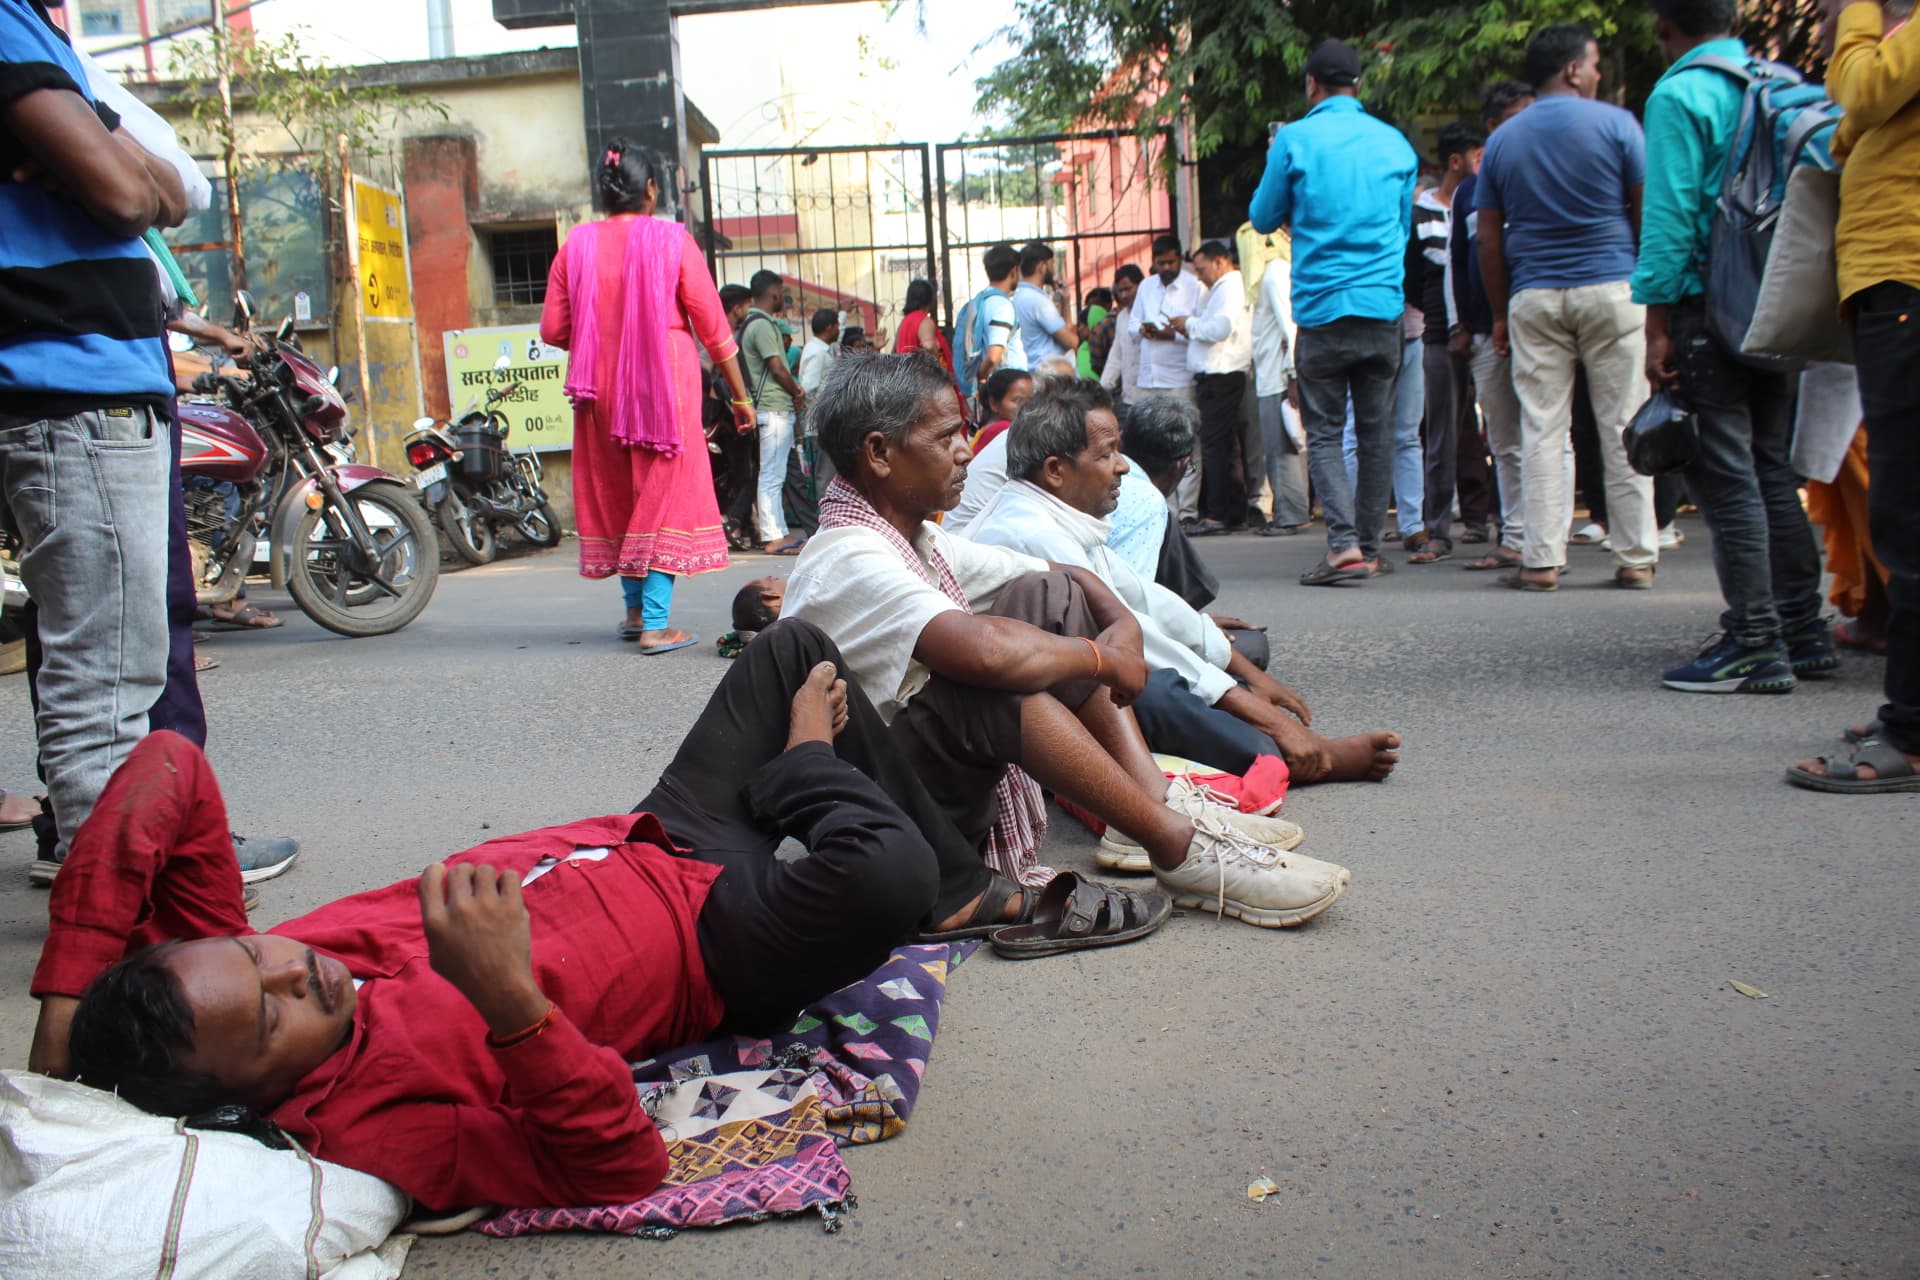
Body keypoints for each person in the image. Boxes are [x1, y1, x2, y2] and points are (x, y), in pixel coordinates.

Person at [28, 609, 1159, 1211]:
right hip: (719, 945)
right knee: (885, 877)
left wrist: (64, 1002)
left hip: (655, 833)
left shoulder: (267, 962)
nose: (299, 971)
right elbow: (617, 1163)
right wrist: (513, 1004)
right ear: (255, 1095)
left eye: (256, 952)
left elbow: (167, 764)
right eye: (274, 1017)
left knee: (794, 647)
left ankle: (956, 878)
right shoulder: (376, 1121)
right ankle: (823, 791)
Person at [784, 352, 1352, 926]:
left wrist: (1121, 632)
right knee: (992, 687)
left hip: (924, 782)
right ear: (880, 454)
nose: (967, 452)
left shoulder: (923, 541)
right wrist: (1104, 657)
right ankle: (1172, 843)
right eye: (946, 437)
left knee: (1046, 598)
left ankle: (1150, 805)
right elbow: (986, 653)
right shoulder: (850, 552)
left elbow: (1063, 578)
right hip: (886, 823)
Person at [968, 379, 1402, 793]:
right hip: (1031, 705)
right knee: (1158, 689)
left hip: (1079, 668)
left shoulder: (1058, 513)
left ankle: (1255, 728)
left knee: (1244, 651)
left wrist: (1243, 675)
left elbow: (1141, 594)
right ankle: (1297, 755)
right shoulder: (1032, 531)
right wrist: (1267, 718)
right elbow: (1141, 636)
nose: (1122, 466)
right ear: (1056, 470)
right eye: (1107, 455)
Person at [2, 0, 184, 878]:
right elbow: (124, 196)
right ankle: (105, 955)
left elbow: (170, 193)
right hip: (68, 385)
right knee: (106, 688)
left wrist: (99, 154)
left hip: (84, 390)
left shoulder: (42, 38)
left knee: (108, 678)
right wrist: (110, 167)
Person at [1632, 0, 1829, 689]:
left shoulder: (1681, 93)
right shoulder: (1776, 80)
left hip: (1707, 308)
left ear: (1666, 27)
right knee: (1773, 467)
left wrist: (1658, 326)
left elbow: (1671, 215)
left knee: (1726, 474)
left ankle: (1753, 637)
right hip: (1778, 299)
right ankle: (1803, 627)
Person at [541, 141, 751, 655]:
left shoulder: (576, 245)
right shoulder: (672, 241)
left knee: (618, 489)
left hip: (598, 385)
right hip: (665, 384)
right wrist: (740, 396)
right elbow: (714, 326)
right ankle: (656, 623)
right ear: (651, 190)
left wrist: (606, 332)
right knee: (664, 492)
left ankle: (634, 613)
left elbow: (552, 328)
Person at [1786, 0, 1918, 790]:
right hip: (1891, 277)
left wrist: (1862, 17)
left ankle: (1911, 729)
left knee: (1907, 514)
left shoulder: (1876, 30)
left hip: (1905, 274)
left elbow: (1858, 98)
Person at [1476, 24, 1658, 593]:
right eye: (1594, 63)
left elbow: (1487, 237)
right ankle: (1635, 557)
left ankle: (1542, 559)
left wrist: (1501, 312)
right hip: (1612, 286)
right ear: (1573, 70)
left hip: (1534, 294)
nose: (1598, 73)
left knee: (1543, 429)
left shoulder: (1505, 139)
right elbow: (1644, 213)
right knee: (1623, 423)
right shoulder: (1618, 124)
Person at [1248, 39, 1418, 586]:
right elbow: (1402, 227)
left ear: (1311, 85)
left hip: (1322, 308)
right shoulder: (1395, 144)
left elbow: (1262, 214)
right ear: (1359, 86)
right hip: (1381, 306)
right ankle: (1367, 545)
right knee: (1376, 432)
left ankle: (1343, 546)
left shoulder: (1295, 139)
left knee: (1324, 432)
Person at [1449, 80, 1536, 572]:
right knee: (1504, 439)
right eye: (1512, 119)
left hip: (1537, 319)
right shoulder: (1469, 192)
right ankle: (1517, 535)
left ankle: (1542, 537)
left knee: (1547, 433)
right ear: (1491, 130)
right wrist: (1468, 325)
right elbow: (1464, 263)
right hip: (1486, 328)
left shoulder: (1541, 173)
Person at [1407, 124, 1488, 564]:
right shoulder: (1421, 214)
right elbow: (1413, 280)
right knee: (1441, 433)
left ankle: (1482, 518)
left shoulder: (1484, 197)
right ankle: (1437, 528)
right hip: (1439, 333)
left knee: (1487, 432)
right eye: (1478, 154)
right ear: (1457, 161)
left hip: (1488, 330)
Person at [1168, 241, 1253, 535]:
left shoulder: (1230, 287)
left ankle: (1218, 514)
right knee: (1224, 446)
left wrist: (1189, 324)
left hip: (1221, 373)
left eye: (1202, 269)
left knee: (1216, 447)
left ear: (1220, 261)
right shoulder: (1219, 289)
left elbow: (1220, 329)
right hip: (1215, 374)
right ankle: (1232, 511)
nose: (1199, 276)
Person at [1129, 236, 1209, 520]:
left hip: (1179, 376)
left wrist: (1171, 333)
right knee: (1154, 444)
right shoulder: (1146, 287)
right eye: (1160, 263)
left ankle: (1187, 510)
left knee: (1185, 443)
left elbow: (1201, 329)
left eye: (1171, 262)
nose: (1166, 267)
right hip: (1150, 377)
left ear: (1179, 259)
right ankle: (1164, 509)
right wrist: (1144, 330)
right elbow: (1131, 323)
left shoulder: (1194, 286)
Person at [736, 269, 808, 555]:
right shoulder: (763, 326)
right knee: (772, 475)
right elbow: (777, 367)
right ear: (774, 292)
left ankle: (776, 533)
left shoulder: (751, 324)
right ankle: (772, 535)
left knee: (773, 474)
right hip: (774, 407)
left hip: (770, 408)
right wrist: (797, 390)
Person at [1250, 244, 1310, 535]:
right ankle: (1291, 512)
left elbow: (1291, 326)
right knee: (1279, 448)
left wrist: (1293, 374)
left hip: (1279, 375)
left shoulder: (1275, 272)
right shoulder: (1269, 274)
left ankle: (1291, 515)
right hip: (1270, 373)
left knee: (1282, 448)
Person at [1012, 242, 1079, 367]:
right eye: (1052, 264)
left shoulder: (1019, 297)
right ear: (1042, 266)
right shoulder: (1037, 301)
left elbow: (1065, 328)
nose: (1054, 270)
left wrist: (1065, 302)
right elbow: (1071, 341)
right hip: (1050, 376)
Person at [970, 243, 1026, 384]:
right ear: (1014, 271)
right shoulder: (1001, 306)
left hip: (1000, 385)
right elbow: (993, 356)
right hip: (1008, 386)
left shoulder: (982, 300)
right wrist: (981, 378)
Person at [1098, 264, 1145, 402]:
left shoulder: (1153, 314)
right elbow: (1116, 356)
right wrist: (1103, 388)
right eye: (1120, 291)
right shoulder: (1122, 317)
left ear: (1141, 286)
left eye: (1128, 289)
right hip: (1129, 396)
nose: (1124, 295)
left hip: (1153, 393)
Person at [970, 367, 1036, 452]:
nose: (1028, 405)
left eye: (1031, 399)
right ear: (994, 404)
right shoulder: (1004, 429)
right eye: (1018, 400)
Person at [1077, 287, 1113, 379]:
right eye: (1088, 306)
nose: (1079, 329)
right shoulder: (1082, 347)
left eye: (1082, 325)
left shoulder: (1110, 343)